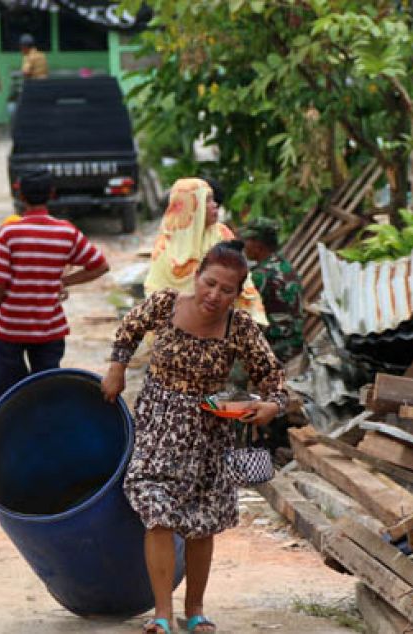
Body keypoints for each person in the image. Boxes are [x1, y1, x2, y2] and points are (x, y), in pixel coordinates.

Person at [100, 241, 286, 634]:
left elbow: (272, 378)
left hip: (208, 433)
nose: (214, 295)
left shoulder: (241, 329)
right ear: (196, 276)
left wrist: (271, 405)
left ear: (238, 295)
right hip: (158, 425)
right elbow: (130, 328)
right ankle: (162, 615)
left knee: (202, 522)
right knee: (157, 513)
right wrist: (116, 368)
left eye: (226, 290)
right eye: (209, 283)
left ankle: (195, 610)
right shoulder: (165, 304)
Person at [0, 169, 109, 471]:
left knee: (1, 389)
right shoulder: (66, 232)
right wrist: (63, 283)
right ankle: (51, 458)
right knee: (47, 391)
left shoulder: (10, 233)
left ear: (20, 194)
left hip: (10, 329)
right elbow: (99, 265)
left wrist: (3, 309)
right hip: (50, 329)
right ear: (52, 195)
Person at [144, 177, 266, 325]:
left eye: (213, 199)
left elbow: (242, 280)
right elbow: (155, 292)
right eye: (207, 200)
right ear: (191, 205)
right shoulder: (166, 245)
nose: (215, 205)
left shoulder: (222, 234)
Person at [241, 217, 304, 363]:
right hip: (295, 344)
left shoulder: (260, 276)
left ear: (258, 245)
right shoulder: (285, 267)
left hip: (277, 349)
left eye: (247, 241)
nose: (244, 245)